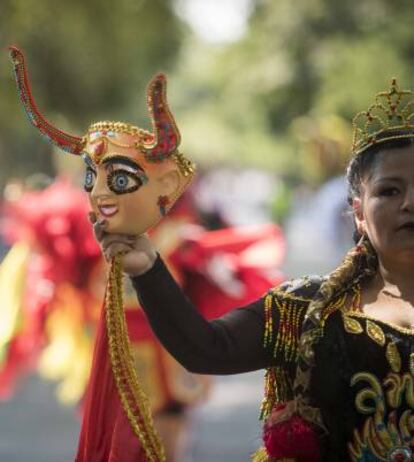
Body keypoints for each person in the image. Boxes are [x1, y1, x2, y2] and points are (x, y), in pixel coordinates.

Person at [89, 78, 414, 462]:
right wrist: (148, 269)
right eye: (389, 191)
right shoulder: (306, 310)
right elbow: (208, 349)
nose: (410, 203)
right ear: (359, 213)